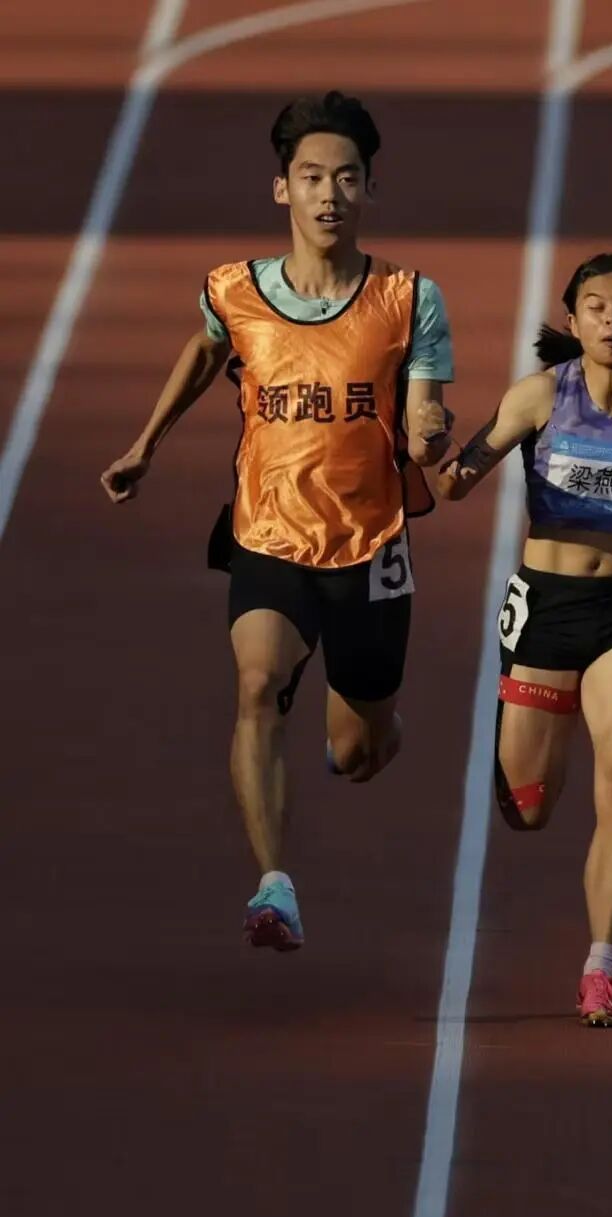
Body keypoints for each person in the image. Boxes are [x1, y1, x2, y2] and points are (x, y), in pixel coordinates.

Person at [100, 91, 455, 952]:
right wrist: (146, 444)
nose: (329, 193)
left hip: (369, 546)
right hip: (267, 535)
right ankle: (274, 885)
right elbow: (206, 346)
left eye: (346, 177)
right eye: (312, 177)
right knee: (257, 684)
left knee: (361, 750)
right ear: (282, 188)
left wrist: (427, 429)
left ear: (370, 188)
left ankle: (374, 727)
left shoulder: (408, 298)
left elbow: (425, 404)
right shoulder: (235, 290)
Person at [435, 253, 612, 1027]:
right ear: (573, 320)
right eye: (596, 307)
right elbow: (457, 478)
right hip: (547, 607)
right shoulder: (540, 397)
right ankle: (534, 732)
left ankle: (602, 964)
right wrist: (442, 457)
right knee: (527, 809)